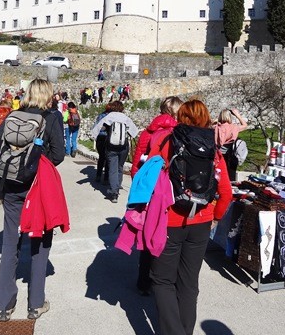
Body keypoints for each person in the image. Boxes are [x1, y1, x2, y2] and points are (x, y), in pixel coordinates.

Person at [146, 99, 232, 335]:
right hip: (201, 222)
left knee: (163, 280)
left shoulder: (165, 142)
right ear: (207, 118)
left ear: (179, 117)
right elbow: (226, 191)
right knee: (188, 282)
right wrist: (215, 216)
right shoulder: (212, 149)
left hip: (170, 219)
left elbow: (148, 180)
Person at [0, 78, 65, 322]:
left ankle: (5, 306)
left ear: (28, 93)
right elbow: (59, 155)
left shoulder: (13, 116)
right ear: (48, 95)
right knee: (40, 243)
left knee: (10, 243)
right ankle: (36, 304)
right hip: (37, 189)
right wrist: (36, 164)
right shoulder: (51, 118)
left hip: (11, 187)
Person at [130, 96, 183, 296]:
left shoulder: (148, 132)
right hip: (172, 191)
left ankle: (143, 281)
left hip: (150, 191)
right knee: (168, 234)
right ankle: (163, 278)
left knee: (147, 231)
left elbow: (136, 167)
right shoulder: (180, 133)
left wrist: (145, 187)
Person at [89, 101, 138, 203]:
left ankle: (114, 192)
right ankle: (117, 185)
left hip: (111, 146)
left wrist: (94, 136)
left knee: (112, 168)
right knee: (120, 167)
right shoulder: (125, 118)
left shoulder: (109, 117)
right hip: (123, 147)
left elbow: (97, 129)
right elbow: (134, 132)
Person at [93, 103, 113, 184]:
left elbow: (96, 126)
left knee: (101, 157)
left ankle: (98, 175)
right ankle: (106, 178)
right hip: (108, 138)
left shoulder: (100, 116)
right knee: (108, 157)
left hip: (100, 138)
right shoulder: (112, 117)